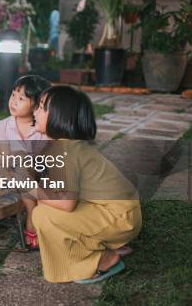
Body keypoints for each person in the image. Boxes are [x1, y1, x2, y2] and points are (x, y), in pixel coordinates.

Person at [29, 85, 141, 283]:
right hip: (122, 213)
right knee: (46, 203)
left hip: (119, 218)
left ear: (59, 116)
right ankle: (105, 243)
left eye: (41, 107)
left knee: (43, 214)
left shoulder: (62, 149)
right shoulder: (68, 145)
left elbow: (66, 203)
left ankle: (101, 260)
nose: (35, 111)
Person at [0, 75, 51, 250]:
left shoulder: (43, 126)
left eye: (21, 98)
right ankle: (32, 210)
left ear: (36, 104)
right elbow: (4, 159)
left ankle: (31, 217)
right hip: (14, 175)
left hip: (40, 175)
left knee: (21, 160)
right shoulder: (3, 126)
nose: (13, 101)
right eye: (13, 95)